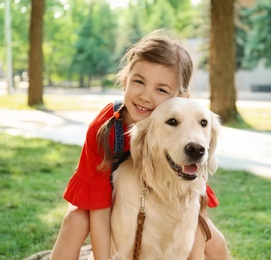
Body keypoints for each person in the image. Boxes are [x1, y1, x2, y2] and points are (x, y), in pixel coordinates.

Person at [50, 30, 230, 260]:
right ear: (125, 82)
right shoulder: (104, 128)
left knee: (217, 243)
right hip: (102, 192)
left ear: (180, 98)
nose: (146, 96)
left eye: (161, 89)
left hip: (159, 196)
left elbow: (196, 191)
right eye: (139, 82)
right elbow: (97, 201)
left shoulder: (185, 130)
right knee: (75, 220)